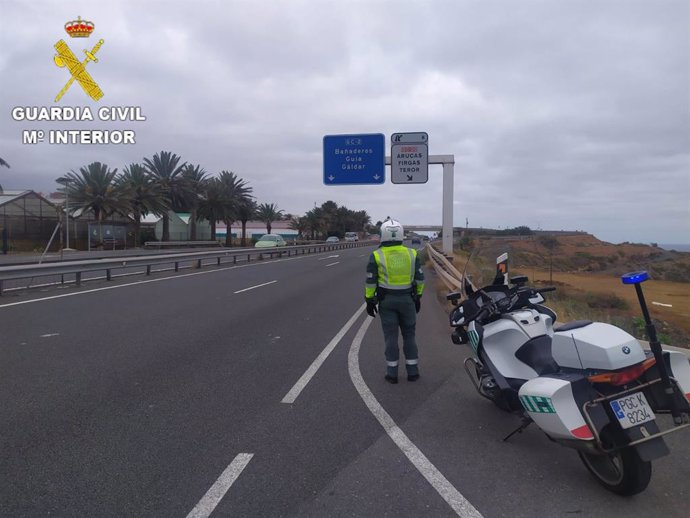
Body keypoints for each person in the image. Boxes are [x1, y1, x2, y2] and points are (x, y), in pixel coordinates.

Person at [364, 218, 425, 384]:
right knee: (409, 336)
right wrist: (418, 296)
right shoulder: (412, 254)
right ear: (401, 235)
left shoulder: (376, 255)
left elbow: (371, 281)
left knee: (391, 337)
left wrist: (369, 300)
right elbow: (420, 279)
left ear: (383, 235)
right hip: (408, 300)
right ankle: (413, 372)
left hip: (387, 301)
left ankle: (392, 374)